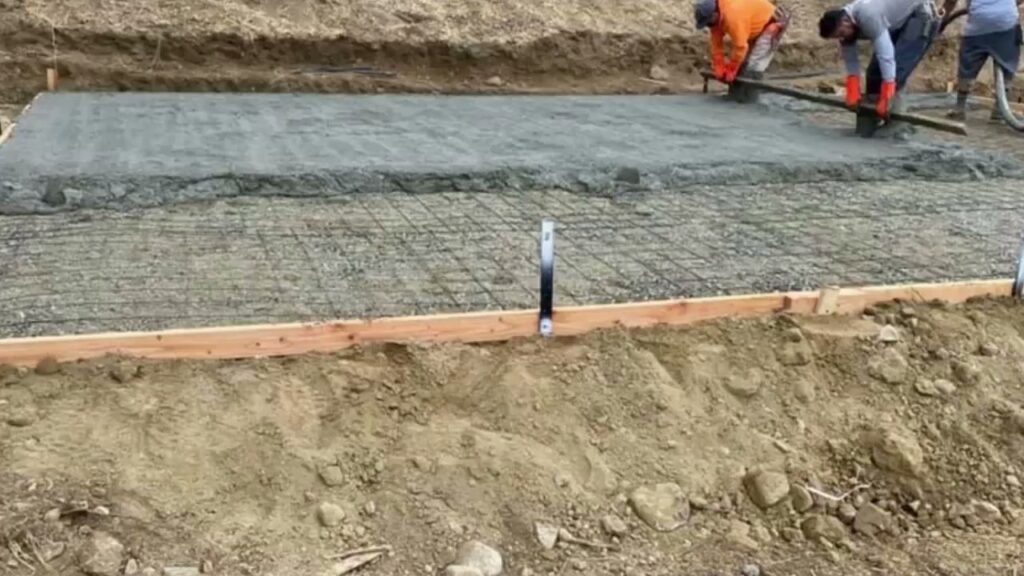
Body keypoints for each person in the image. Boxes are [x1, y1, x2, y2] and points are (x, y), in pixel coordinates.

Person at [818, 0, 940, 127]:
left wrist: (887, 93)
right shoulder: (844, 22)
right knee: (874, 73)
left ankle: (896, 127)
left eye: (842, 34)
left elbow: (886, 55)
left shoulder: (868, 16)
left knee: (897, 71)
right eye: (838, 37)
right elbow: (850, 58)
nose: (842, 39)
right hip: (895, 20)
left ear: (845, 21)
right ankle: (870, 123)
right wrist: (853, 89)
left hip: (920, 16)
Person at [942, 0, 1022, 121]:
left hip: (978, 23)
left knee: (968, 63)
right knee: (1007, 62)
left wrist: (941, 23)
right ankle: (999, 111)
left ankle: (959, 108)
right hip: (1005, 21)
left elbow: (951, 2)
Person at [695, 0, 791, 93]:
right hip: (752, 24)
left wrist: (731, 67)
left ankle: (749, 97)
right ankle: (739, 92)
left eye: (708, 22)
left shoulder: (732, 17)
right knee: (744, 63)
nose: (708, 25)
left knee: (755, 64)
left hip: (772, 21)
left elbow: (740, 46)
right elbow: (716, 42)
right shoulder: (718, 13)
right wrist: (718, 63)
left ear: (714, 14)